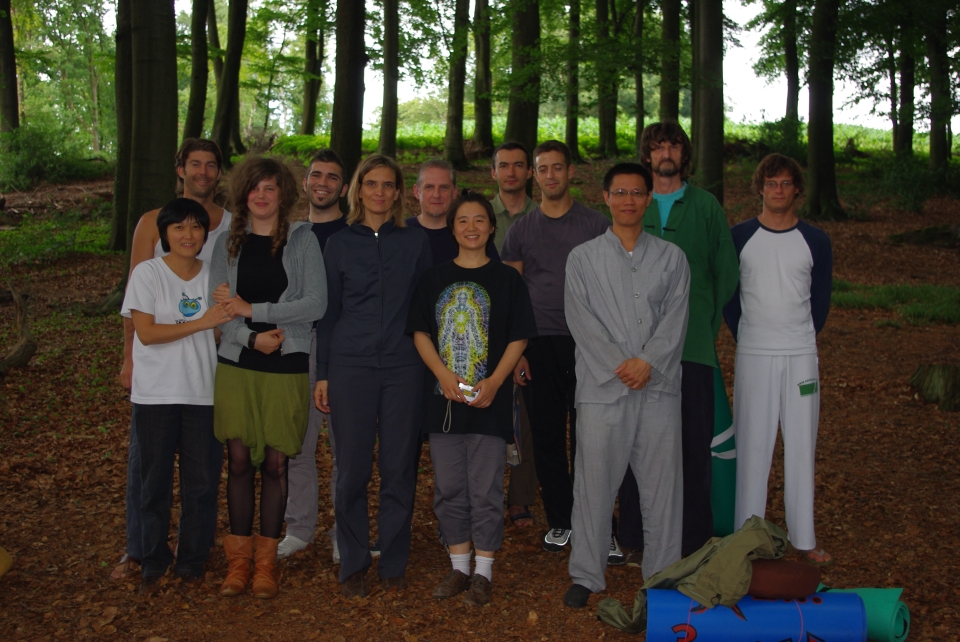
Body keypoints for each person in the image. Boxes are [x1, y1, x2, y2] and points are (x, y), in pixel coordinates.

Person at [562, 163, 690, 608]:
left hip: (657, 389)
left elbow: (676, 320)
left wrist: (648, 363)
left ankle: (663, 574)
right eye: (620, 192)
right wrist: (622, 365)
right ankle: (587, 574)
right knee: (594, 484)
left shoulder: (672, 258)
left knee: (662, 487)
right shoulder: (582, 258)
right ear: (606, 197)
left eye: (637, 192)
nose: (629, 200)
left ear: (649, 198)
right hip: (603, 390)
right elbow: (581, 321)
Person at [408, 190, 538, 606]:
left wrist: (497, 381)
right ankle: (458, 565)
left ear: (491, 226)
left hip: (490, 400)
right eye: (462, 220)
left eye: (479, 220)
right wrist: (442, 374)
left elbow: (519, 335)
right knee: (448, 486)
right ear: (452, 228)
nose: (470, 228)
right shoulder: (433, 278)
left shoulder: (506, 279)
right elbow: (421, 332)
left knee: (485, 488)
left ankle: (483, 570)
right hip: (443, 399)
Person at [113, 138, 232, 581]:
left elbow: (228, 317)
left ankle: (191, 562)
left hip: (204, 388)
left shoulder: (216, 265)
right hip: (156, 390)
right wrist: (130, 359)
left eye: (195, 229)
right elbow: (144, 328)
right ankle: (147, 556)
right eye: (179, 228)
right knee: (151, 480)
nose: (188, 234)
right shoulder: (148, 265)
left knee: (201, 484)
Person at [314, 154, 432, 598]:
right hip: (350, 366)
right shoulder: (339, 244)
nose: (380, 193)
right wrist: (323, 373)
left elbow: (424, 310)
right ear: (358, 190)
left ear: (398, 192)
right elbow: (329, 314)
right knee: (352, 470)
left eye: (388, 185)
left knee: (399, 467)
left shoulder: (413, 242)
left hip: (404, 368)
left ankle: (394, 562)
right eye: (372, 184)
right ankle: (355, 560)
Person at [619, 121, 738, 559]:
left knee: (692, 449)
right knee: (636, 445)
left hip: (692, 351)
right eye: (657, 146)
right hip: (638, 353)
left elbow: (726, 274)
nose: (665, 152)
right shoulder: (633, 204)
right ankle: (633, 537)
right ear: (647, 155)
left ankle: (694, 541)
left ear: (683, 155)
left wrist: (705, 328)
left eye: (673, 145)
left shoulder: (705, 206)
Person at [210, 156, 327, 599]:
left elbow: (315, 303)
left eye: (270, 188)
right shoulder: (228, 244)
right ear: (244, 194)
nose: (261, 195)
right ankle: (238, 563)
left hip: (288, 363)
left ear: (283, 195)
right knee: (239, 462)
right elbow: (220, 307)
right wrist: (249, 336)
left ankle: (265, 563)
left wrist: (253, 310)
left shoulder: (302, 240)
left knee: (277, 465)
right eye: (255, 188)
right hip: (239, 363)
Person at [501, 140, 611, 554]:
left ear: (570, 173)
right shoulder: (522, 229)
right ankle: (561, 520)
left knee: (590, 437)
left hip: (587, 345)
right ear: (534, 174)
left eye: (557, 168)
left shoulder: (595, 226)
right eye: (542, 169)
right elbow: (513, 296)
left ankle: (597, 520)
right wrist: (518, 352)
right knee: (546, 437)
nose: (550, 176)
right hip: (539, 345)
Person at [723, 153, 834, 566]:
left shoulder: (816, 241)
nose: (778, 190)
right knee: (752, 445)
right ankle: (746, 539)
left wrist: (797, 338)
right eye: (771, 183)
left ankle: (804, 540)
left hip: (801, 355)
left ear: (797, 190)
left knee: (801, 444)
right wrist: (750, 336)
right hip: (754, 353)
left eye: (786, 184)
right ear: (760, 188)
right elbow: (730, 300)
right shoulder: (740, 237)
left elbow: (819, 302)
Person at [277, 149, 349, 563]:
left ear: (343, 187)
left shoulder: (352, 233)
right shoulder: (289, 235)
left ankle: (344, 530)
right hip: (296, 347)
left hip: (340, 350)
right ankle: (299, 527)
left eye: (332, 177)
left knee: (345, 446)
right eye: (316, 175)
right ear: (305, 182)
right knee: (299, 445)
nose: (323, 182)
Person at [489, 141, 539, 528]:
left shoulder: (543, 217)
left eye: (518, 165)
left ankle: (521, 496)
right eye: (503, 165)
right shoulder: (478, 216)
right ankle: (485, 493)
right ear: (494, 172)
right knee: (490, 413)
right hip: (485, 331)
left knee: (529, 418)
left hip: (535, 328)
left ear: (529, 172)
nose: (511, 172)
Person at [407, 159, 499, 264]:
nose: (436, 195)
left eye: (444, 188)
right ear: (416, 191)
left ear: (455, 192)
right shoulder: (401, 233)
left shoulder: (471, 235)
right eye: (429, 187)